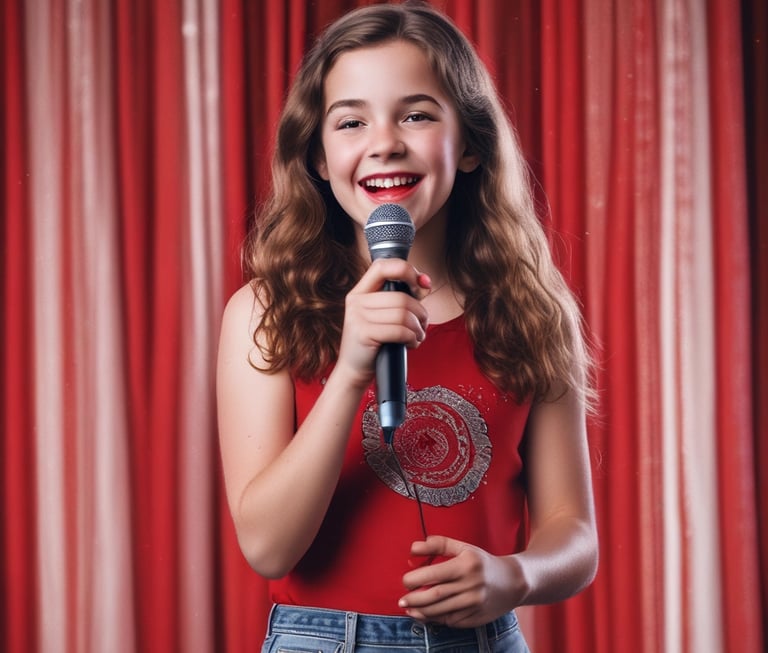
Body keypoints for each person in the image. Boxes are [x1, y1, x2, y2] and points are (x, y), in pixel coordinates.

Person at [216, 2, 598, 651]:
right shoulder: (265, 311)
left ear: (470, 144)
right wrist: (351, 371)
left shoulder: (532, 308)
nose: (385, 142)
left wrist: (515, 575)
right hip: (323, 638)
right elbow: (267, 545)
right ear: (317, 155)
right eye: (351, 121)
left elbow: (575, 534)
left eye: (416, 115)